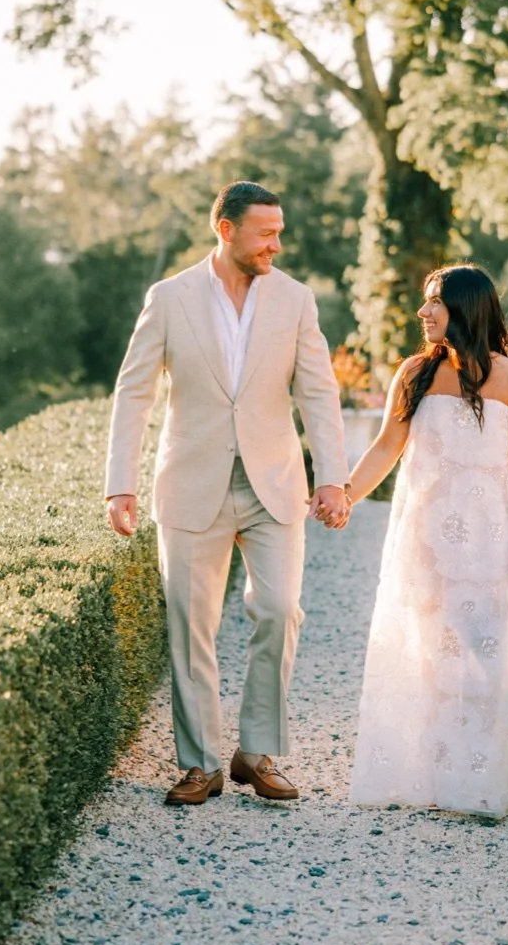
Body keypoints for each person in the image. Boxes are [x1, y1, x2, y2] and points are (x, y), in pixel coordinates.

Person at [103, 181, 351, 807]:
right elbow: (134, 392)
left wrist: (331, 477)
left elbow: (318, 393)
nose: (277, 243)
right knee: (193, 628)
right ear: (226, 230)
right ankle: (198, 765)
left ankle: (256, 751)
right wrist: (120, 484)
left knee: (280, 610)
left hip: (274, 486)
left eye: (279, 231)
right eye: (266, 232)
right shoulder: (170, 298)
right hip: (190, 486)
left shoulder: (295, 300)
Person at [344, 265, 508, 819]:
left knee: (482, 654)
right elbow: (387, 446)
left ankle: (475, 781)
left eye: (435, 302)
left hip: (488, 539)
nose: (424, 312)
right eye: (425, 301)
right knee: (429, 651)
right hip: (424, 537)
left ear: (467, 310)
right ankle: (428, 776)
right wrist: (346, 495)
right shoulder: (414, 373)